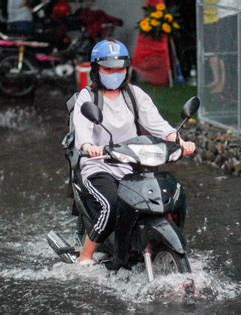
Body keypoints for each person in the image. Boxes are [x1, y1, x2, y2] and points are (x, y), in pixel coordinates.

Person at [72, 39, 196, 265]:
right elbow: (83, 133)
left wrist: (180, 140)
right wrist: (90, 147)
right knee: (112, 204)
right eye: (108, 68)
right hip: (100, 165)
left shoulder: (134, 95)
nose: (115, 73)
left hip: (132, 164)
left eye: (119, 68)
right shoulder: (88, 97)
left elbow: (158, 125)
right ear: (96, 70)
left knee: (170, 194)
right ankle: (85, 255)